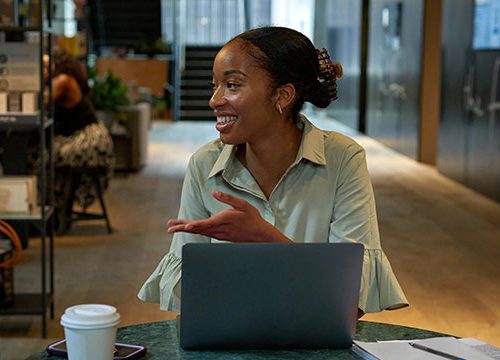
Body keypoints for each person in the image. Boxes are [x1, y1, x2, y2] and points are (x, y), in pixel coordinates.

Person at [138, 26, 408, 315]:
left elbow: (352, 300)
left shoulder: (343, 159)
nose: (214, 100)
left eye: (232, 85)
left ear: (282, 96)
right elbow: (188, 296)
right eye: (214, 85)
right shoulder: (204, 164)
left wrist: (264, 237)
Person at [49, 49, 114, 234]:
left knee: (43, 159)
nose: (45, 68)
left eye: (47, 64)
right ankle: (58, 212)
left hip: (89, 141)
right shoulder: (66, 77)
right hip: (84, 137)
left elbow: (41, 101)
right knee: (45, 155)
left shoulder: (63, 80)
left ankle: (53, 214)